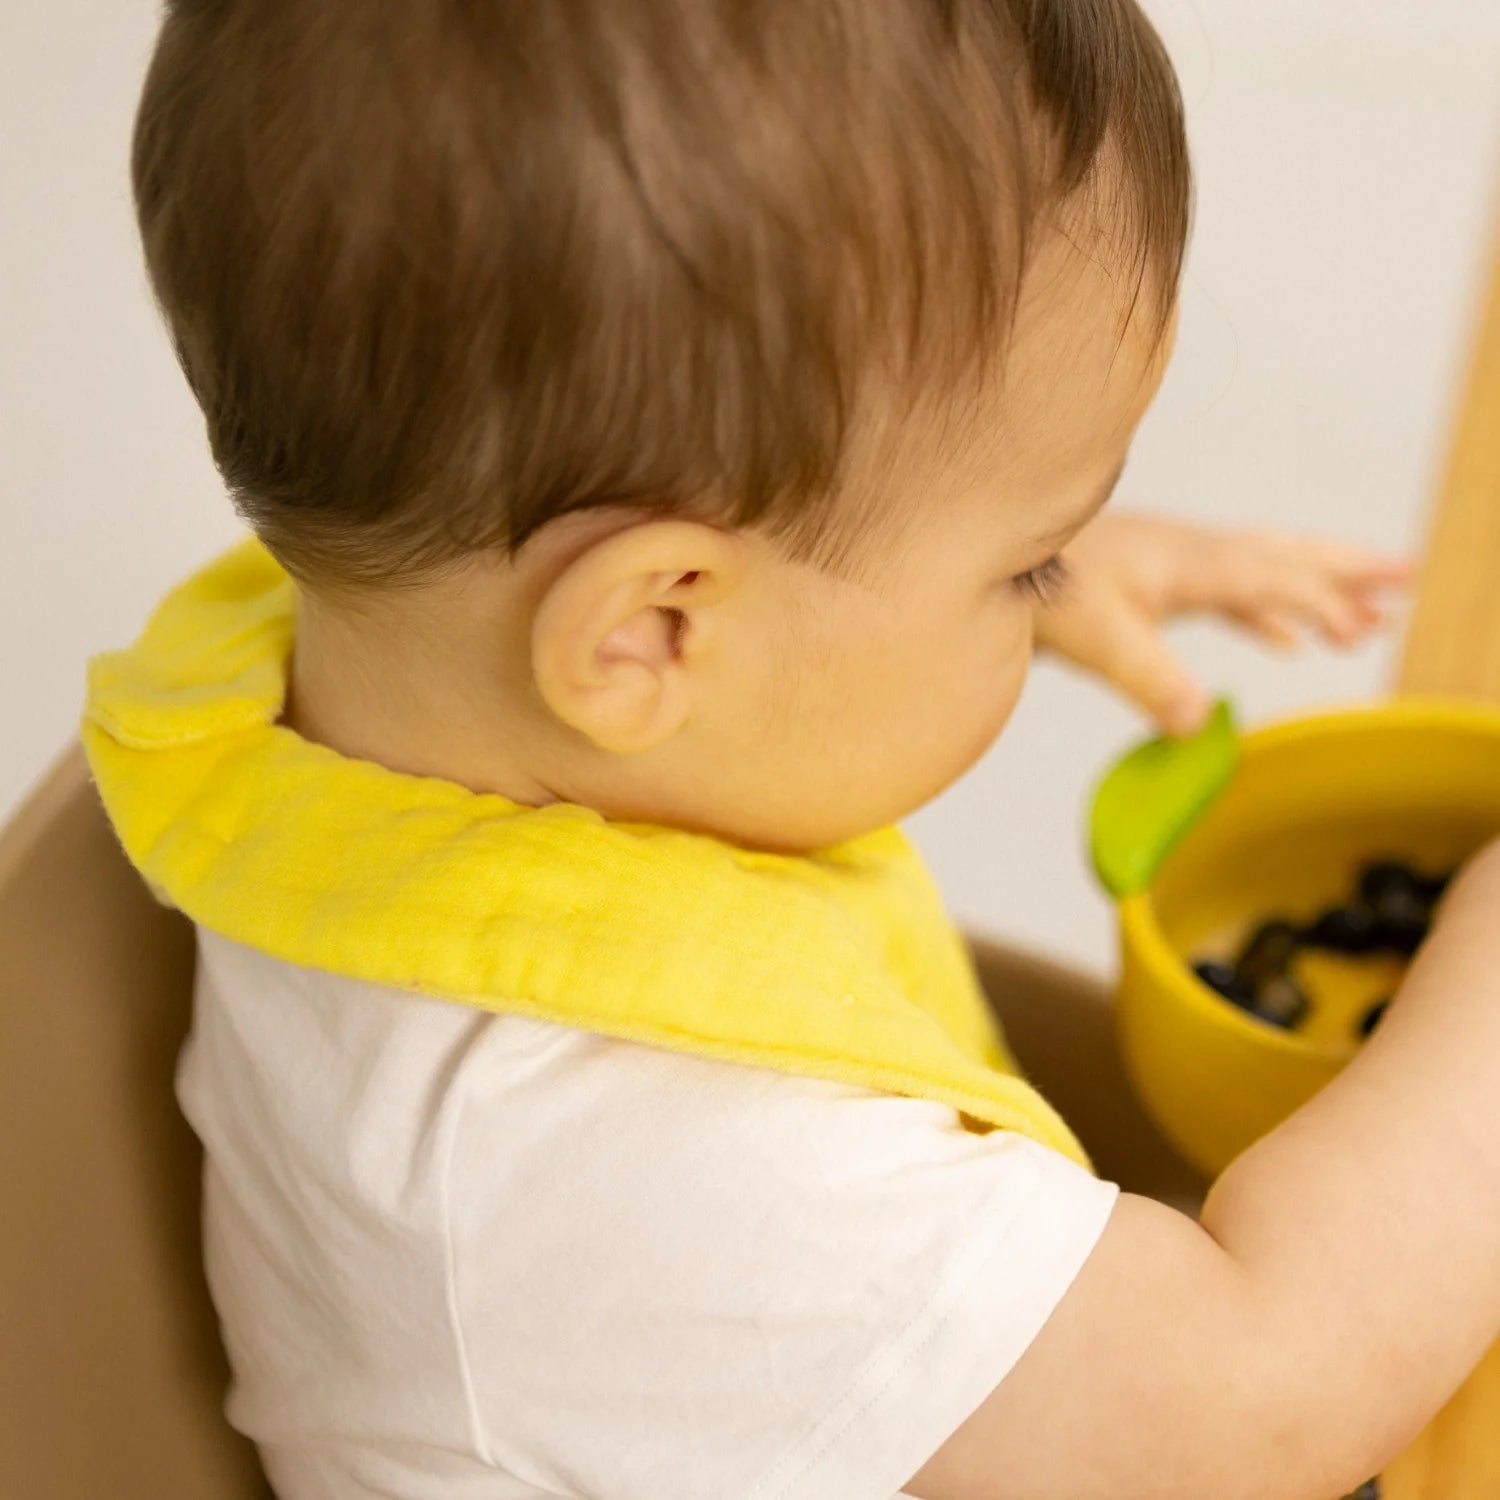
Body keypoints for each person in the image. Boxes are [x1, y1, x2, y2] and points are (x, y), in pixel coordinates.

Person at [84, 2, 1500, 1497]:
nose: (1048, 587)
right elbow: (1260, 1409)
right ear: (655, 635)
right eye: (1025, 568)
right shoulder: (636, 1163)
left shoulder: (330, 657)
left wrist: (1018, 564)